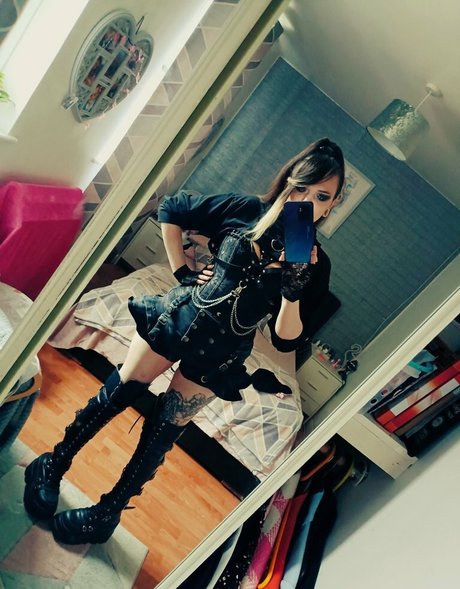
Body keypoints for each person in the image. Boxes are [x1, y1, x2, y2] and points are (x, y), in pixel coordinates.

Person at [23, 137, 345, 545]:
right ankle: (53, 464)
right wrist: (182, 272)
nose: (308, 202)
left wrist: (293, 291)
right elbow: (173, 208)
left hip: (221, 353)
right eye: (301, 188)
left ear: (332, 205)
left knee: (160, 436)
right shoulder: (247, 210)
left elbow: (285, 342)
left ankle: (106, 515)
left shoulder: (315, 263)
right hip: (182, 316)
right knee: (117, 393)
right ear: (287, 183)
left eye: (321, 196)